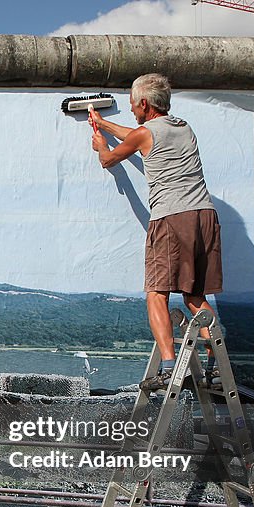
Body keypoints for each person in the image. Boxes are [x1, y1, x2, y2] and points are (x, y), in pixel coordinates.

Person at [88, 72, 222, 391]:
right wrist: (105, 123)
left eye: (134, 105)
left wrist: (100, 143)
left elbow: (110, 159)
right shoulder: (183, 128)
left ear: (145, 104)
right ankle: (216, 364)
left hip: (171, 218)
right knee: (194, 295)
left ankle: (170, 368)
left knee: (156, 294)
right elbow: (138, 135)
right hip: (204, 215)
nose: (132, 109)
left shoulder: (145, 133)